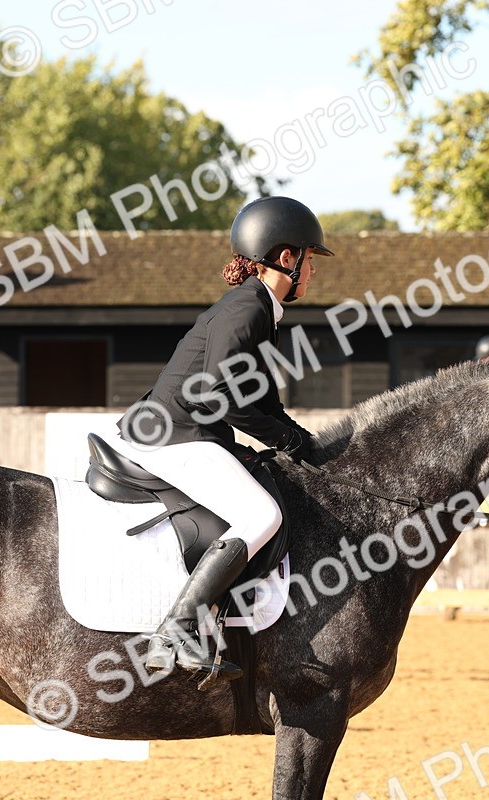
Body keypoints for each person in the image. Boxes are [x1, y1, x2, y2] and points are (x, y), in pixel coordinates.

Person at [108, 196, 333, 679]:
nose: (313, 271)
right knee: (262, 515)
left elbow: (261, 400)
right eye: (310, 259)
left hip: (189, 430)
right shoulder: (247, 309)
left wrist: (304, 442)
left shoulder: (260, 309)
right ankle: (177, 629)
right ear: (286, 258)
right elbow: (218, 396)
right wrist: (286, 441)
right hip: (175, 435)